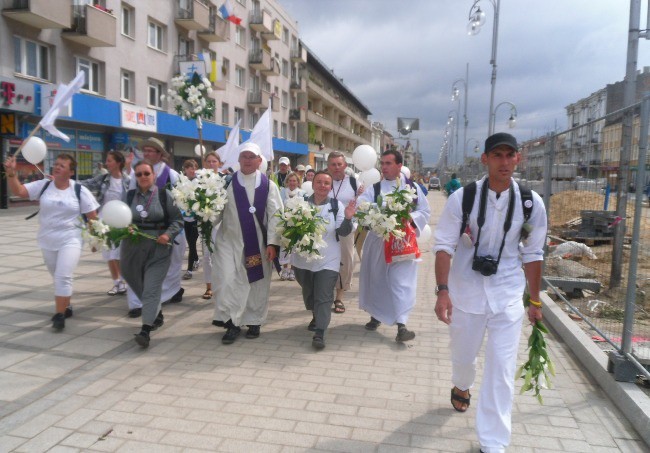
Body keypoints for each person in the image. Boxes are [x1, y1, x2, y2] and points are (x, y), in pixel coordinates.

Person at [433, 132, 547, 453]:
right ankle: (462, 384)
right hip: (465, 292)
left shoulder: (530, 203)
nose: (505, 162)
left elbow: (534, 252)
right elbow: (443, 246)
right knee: (463, 356)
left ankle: (493, 442)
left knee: (501, 369)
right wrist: (443, 292)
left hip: (508, 295)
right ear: (485, 159)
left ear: (518, 159)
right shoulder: (464, 198)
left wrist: (535, 301)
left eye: (510, 155)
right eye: (498, 155)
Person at [4, 153, 99, 330]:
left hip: (71, 238)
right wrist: (11, 173)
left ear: (71, 172)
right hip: (47, 239)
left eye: (62, 165)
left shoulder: (79, 190)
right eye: (56, 164)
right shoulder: (44, 185)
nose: (57, 167)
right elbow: (19, 192)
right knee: (57, 275)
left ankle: (59, 315)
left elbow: (92, 218)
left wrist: (95, 241)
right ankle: (66, 304)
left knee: (63, 275)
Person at [211, 142, 283, 344]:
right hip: (229, 242)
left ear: (260, 161)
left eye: (252, 157)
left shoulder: (269, 186)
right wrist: (203, 212)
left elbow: (276, 216)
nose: (248, 160)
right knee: (227, 281)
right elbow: (216, 212)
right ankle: (231, 322)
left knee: (256, 282)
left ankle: (253, 321)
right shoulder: (226, 183)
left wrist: (273, 243)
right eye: (244, 156)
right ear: (239, 159)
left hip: (258, 244)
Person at [357, 150, 430, 342]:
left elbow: (425, 211)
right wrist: (380, 217)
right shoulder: (375, 189)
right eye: (382, 163)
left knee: (401, 283)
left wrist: (408, 220)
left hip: (402, 243)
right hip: (379, 242)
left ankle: (402, 325)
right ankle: (376, 315)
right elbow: (362, 206)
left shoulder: (412, 188)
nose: (384, 167)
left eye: (389, 163)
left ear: (399, 165)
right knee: (378, 279)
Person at [121, 160, 184, 348]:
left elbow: (178, 220)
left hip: (159, 249)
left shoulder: (165, 195)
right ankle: (155, 311)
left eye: (146, 173)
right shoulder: (129, 195)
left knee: (151, 288)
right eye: (138, 174)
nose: (143, 177)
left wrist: (167, 234)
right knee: (131, 278)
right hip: (132, 247)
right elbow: (119, 217)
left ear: (153, 175)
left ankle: (146, 330)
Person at [293, 171, 355, 349]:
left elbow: (343, 232)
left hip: (328, 259)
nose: (322, 186)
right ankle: (316, 315)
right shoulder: (300, 203)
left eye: (326, 183)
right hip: (303, 260)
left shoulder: (336, 206)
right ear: (312, 184)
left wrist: (349, 218)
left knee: (324, 296)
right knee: (310, 292)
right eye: (319, 182)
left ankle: (320, 332)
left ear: (330, 187)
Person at [126, 137, 186, 314]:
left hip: (165, 228)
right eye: (144, 150)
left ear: (160, 154)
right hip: (142, 228)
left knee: (171, 265)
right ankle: (136, 303)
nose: (146, 153)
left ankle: (171, 291)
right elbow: (129, 197)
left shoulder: (172, 175)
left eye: (150, 150)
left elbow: (182, 201)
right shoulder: (136, 174)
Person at [81, 151, 131, 296]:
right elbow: (85, 184)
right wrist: (66, 182)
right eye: (107, 160)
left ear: (118, 163)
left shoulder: (127, 181)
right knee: (109, 253)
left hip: (121, 221)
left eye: (109, 160)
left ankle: (123, 281)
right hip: (104, 221)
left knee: (120, 254)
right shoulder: (103, 179)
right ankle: (117, 283)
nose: (106, 163)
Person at [327, 151, 361, 314]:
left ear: (345, 166)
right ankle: (325, 293)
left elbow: (361, 205)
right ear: (328, 166)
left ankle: (339, 297)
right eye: (333, 164)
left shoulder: (354, 184)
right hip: (324, 228)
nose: (336, 167)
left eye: (339, 164)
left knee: (346, 261)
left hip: (346, 229)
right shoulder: (323, 181)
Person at [200, 151, 229, 300]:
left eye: (214, 162)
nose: (211, 164)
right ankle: (209, 286)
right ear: (205, 164)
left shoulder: (225, 180)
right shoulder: (200, 180)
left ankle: (222, 284)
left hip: (221, 223)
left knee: (220, 254)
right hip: (205, 221)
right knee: (206, 255)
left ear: (219, 163)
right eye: (209, 162)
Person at [278, 172, 305, 281]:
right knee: (284, 246)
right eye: (290, 181)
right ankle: (285, 270)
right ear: (287, 182)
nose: (292, 183)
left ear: (298, 182)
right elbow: (279, 207)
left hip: (297, 224)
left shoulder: (302, 193)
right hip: (285, 223)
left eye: (294, 181)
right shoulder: (282, 192)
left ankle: (293, 270)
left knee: (295, 247)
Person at [181, 159, 200, 282]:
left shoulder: (199, 182)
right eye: (190, 168)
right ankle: (196, 259)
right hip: (184, 218)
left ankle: (189, 270)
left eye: (194, 168)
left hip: (195, 219)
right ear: (185, 169)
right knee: (190, 242)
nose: (192, 170)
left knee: (192, 244)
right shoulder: (181, 182)